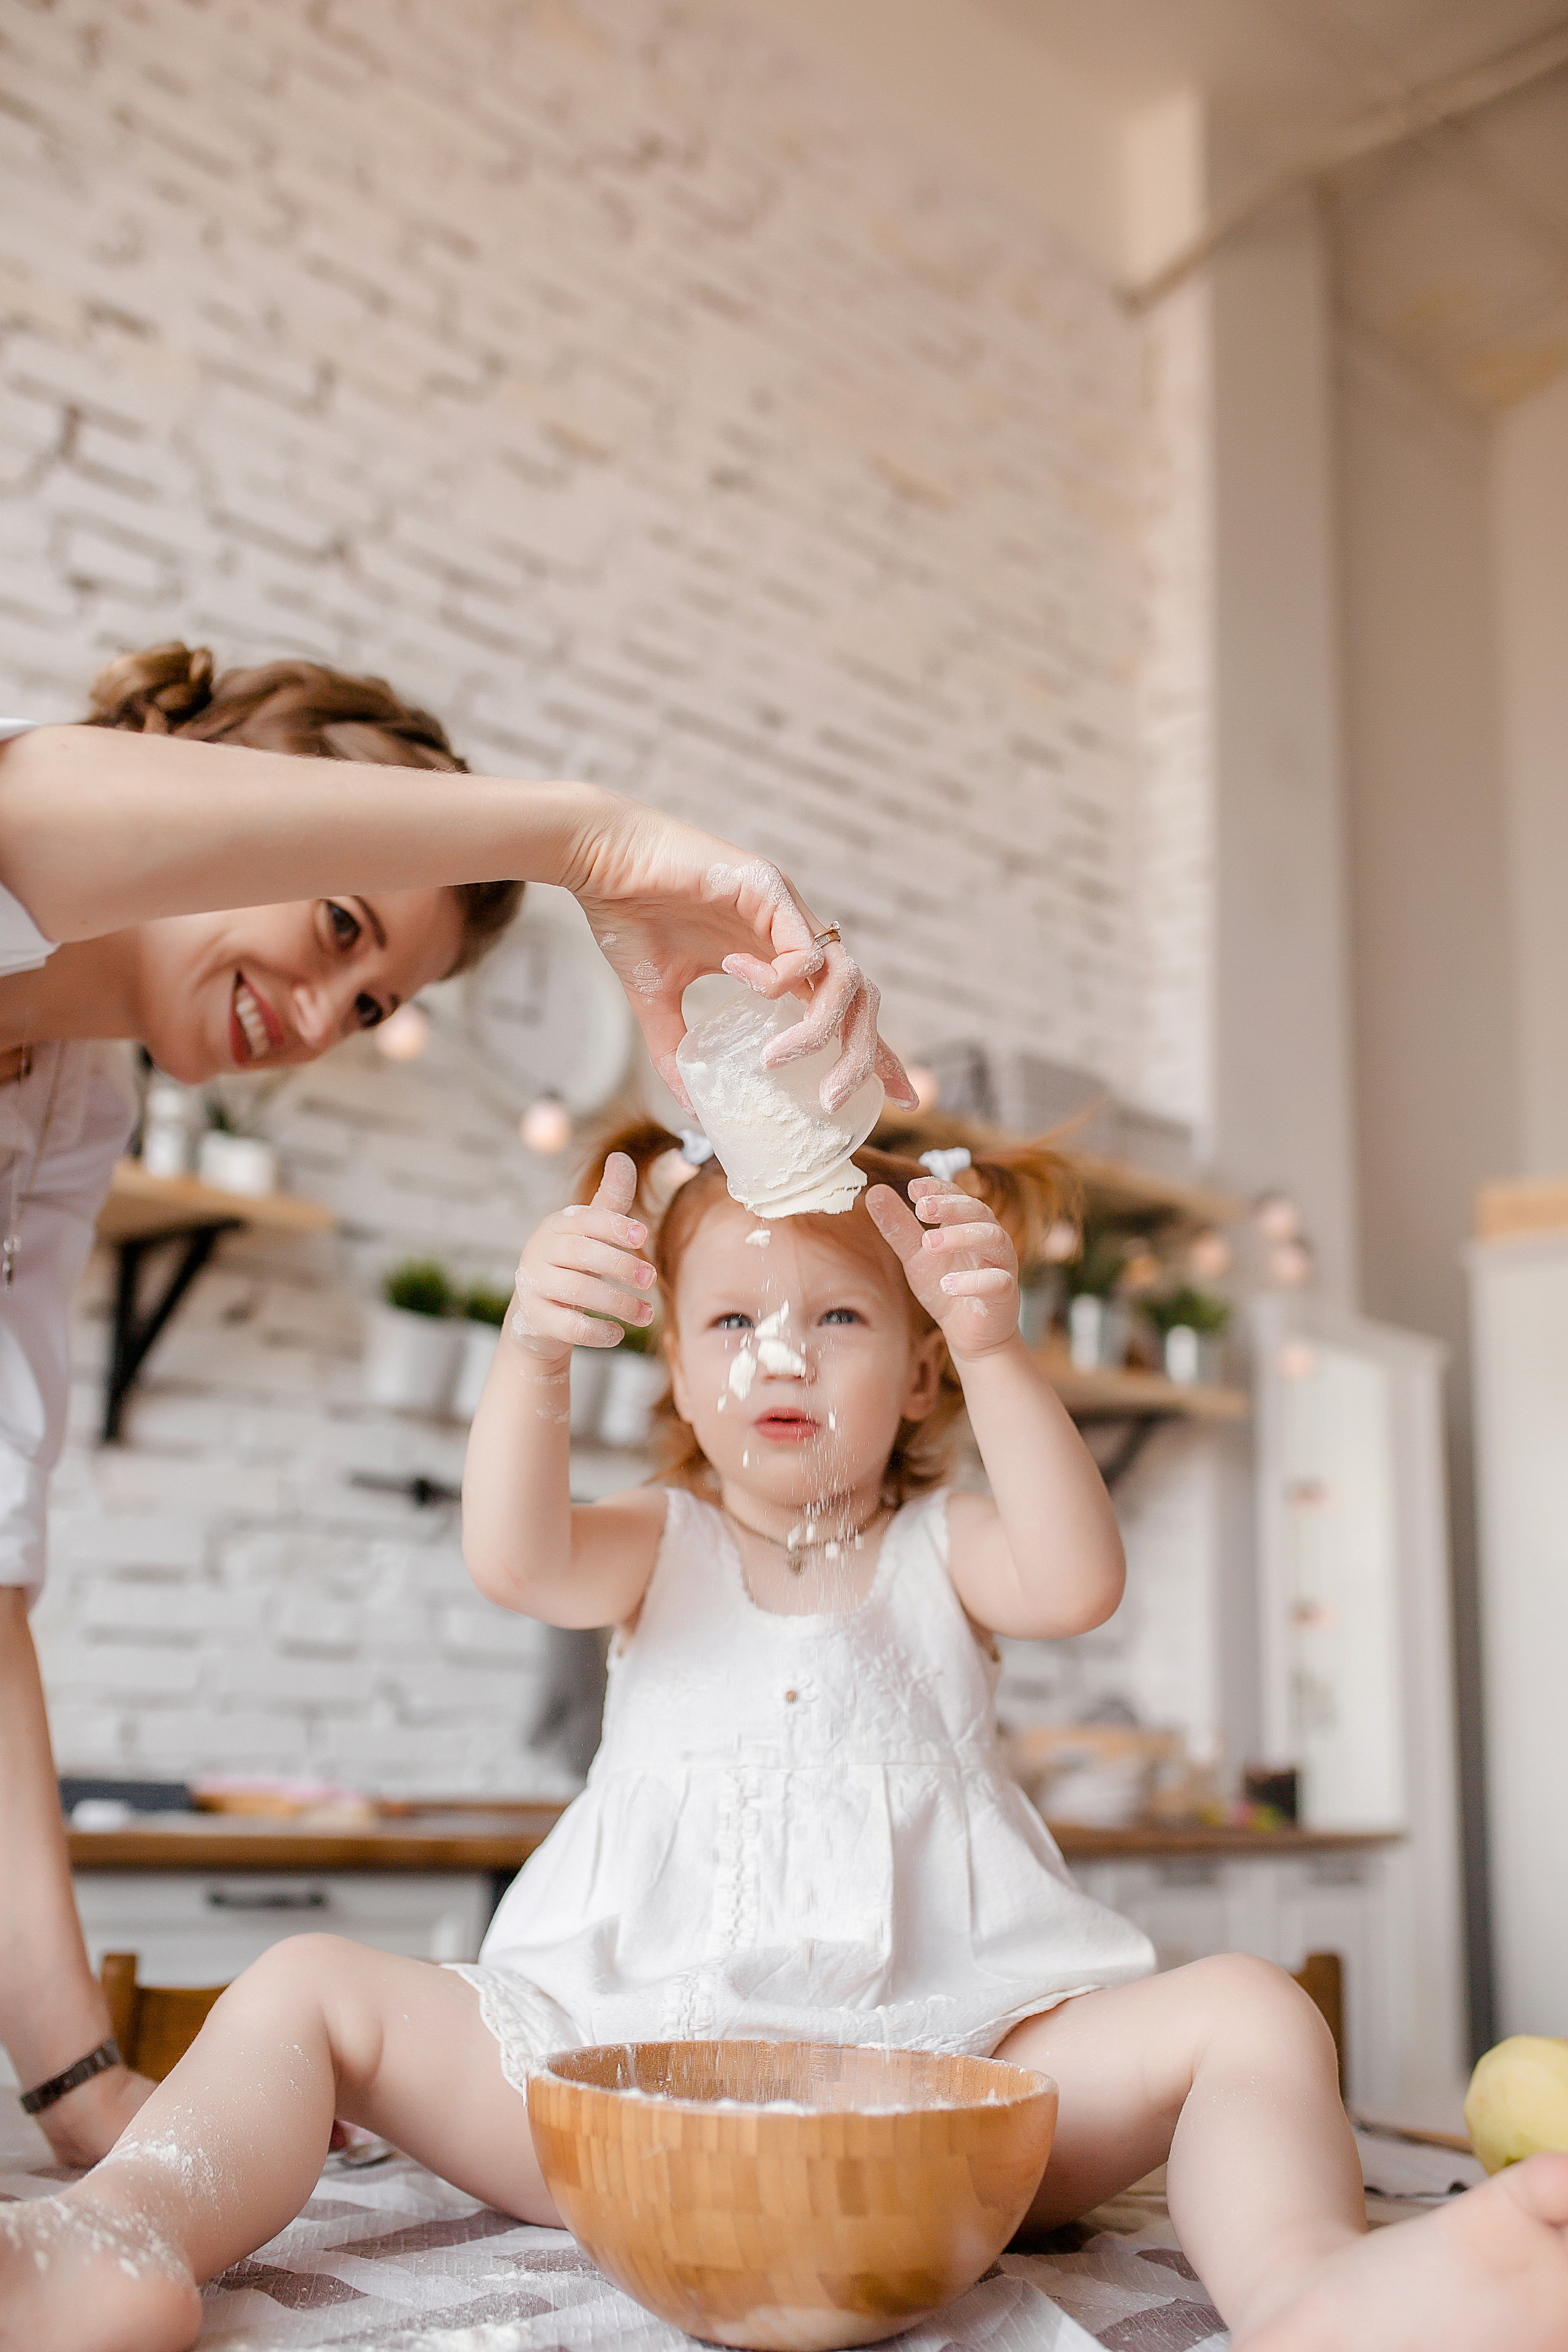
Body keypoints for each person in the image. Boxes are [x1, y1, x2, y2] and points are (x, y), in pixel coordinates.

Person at [4, 1126, 1567, 2352]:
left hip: (945, 2101)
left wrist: (1006, 1345)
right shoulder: (653, 1541)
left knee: (1245, 2010)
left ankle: (1308, 2293)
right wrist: (534, 1352)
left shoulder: (946, 1552)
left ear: (914, 1364)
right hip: (618, 2089)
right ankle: (126, 2234)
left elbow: (1080, 1577)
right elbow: (511, 1553)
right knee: (307, 1985)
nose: (783, 1353)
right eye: (733, 1318)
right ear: (676, 1360)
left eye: (839, 1318)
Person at [0, 641, 910, 2167]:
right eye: (342, 926)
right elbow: (29, 808)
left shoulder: (68, 1108)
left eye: (370, 1005)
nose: (320, 1010)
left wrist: (81, 2087)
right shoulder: (34, 824)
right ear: (226, 792)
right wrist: (590, 841)